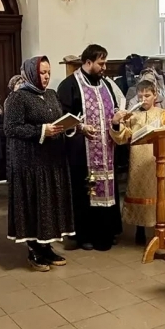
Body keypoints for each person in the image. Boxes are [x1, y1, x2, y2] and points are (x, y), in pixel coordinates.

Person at [56, 45, 132, 251]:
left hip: (107, 150)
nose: (104, 67)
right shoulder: (69, 85)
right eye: (101, 63)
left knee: (107, 187)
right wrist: (80, 127)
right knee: (85, 191)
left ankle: (108, 231)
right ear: (88, 62)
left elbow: (113, 109)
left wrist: (117, 118)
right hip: (82, 152)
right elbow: (62, 118)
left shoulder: (106, 84)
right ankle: (85, 235)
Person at [4, 56, 75, 271]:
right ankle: (34, 249)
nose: (46, 77)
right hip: (29, 162)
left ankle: (46, 246)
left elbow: (58, 119)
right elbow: (11, 128)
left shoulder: (51, 94)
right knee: (34, 204)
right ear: (31, 73)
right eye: (42, 73)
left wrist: (73, 126)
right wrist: (42, 130)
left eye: (48, 72)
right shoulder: (18, 97)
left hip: (52, 159)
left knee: (49, 203)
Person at [119, 79, 165, 245]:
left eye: (147, 95)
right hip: (138, 160)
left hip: (158, 159)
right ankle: (140, 228)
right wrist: (118, 122)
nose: (143, 99)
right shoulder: (132, 116)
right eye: (140, 96)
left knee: (159, 192)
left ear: (155, 95)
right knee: (140, 191)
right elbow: (122, 136)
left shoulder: (163, 114)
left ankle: (160, 225)